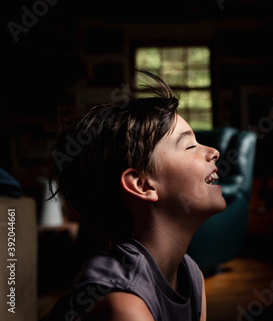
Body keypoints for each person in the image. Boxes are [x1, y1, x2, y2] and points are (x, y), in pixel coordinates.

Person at [46, 71, 226, 321]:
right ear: (142, 184)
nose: (214, 152)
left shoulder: (191, 274)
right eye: (190, 145)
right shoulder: (123, 303)